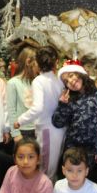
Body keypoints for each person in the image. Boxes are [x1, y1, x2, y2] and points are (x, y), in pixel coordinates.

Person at [52, 60, 97, 192]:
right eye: (66, 81)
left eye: (71, 76)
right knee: (71, 182)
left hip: (92, 149)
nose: (70, 81)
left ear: (80, 74)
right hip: (73, 148)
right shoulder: (69, 99)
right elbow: (58, 123)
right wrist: (62, 105)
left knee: (93, 183)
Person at [14, 46, 64, 179]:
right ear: (56, 62)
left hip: (47, 129)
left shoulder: (39, 81)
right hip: (59, 130)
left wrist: (20, 120)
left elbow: (38, 108)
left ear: (37, 62)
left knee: (46, 170)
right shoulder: (58, 81)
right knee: (52, 168)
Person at [7, 46, 39, 141]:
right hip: (22, 130)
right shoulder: (13, 83)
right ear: (28, 62)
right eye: (38, 64)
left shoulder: (37, 82)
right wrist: (15, 133)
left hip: (38, 129)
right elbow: (11, 110)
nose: (39, 68)